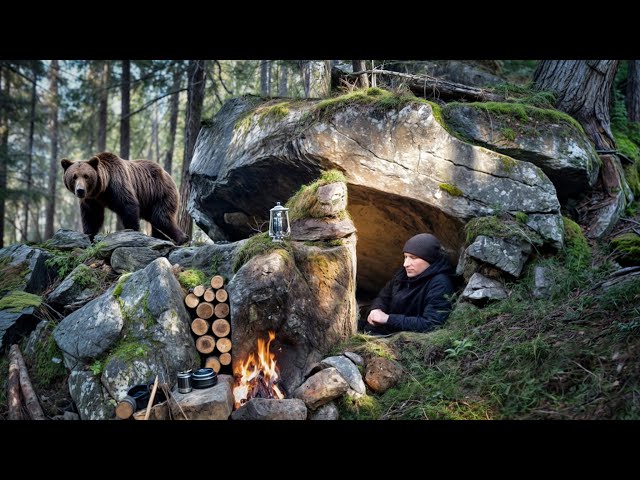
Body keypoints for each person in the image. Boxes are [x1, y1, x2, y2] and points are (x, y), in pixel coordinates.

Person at [362, 233, 456, 335]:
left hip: (403, 341)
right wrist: (376, 309)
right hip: (383, 331)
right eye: (405, 257)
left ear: (429, 259)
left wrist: (388, 319)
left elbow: (432, 324)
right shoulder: (403, 275)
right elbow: (384, 297)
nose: (406, 264)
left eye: (413, 257)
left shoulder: (440, 284)